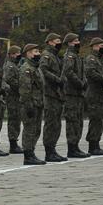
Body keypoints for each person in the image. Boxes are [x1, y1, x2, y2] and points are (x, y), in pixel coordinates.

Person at [40, 33, 67, 162]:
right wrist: (57, 80)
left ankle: (53, 149)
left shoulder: (55, 56)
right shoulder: (46, 55)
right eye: (57, 40)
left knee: (56, 123)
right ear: (50, 42)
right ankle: (49, 151)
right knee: (51, 123)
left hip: (57, 94)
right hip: (50, 93)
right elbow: (44, 71)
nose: (59, 42)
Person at [61, 33, 89, 158]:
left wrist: (84, 83)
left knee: (78, 121)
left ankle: (76, 146)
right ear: (69, 43)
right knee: (72, 121)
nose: (78, 42)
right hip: (71, 93)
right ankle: (71, 148)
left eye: (78, 40)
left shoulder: (77, 56)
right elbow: (68, 72)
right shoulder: (70, 56)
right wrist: (80, 83)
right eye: (75, 41)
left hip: (78, 94)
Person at [18, 44, 46, 166]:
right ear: (28, 53)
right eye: (35, 51)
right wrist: (28, 105)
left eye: (38, 51)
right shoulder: (27, 69)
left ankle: (31, 152)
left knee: (36, 130)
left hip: (38, 103)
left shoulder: (36, 68)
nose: (38, 53)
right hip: (30, 104)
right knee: (29, 130)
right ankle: (28, 155)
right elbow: (25, 89)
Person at [85, 38, 103, 156]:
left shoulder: (100, 59)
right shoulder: (91, 59)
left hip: (101, 94)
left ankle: (96, 144)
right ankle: (93, 146)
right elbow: (90, 73)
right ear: (94, 46)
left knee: (100, 120)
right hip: (94, 93)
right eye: (101, 45)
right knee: (95, 120)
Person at [2, 45, 23, 154]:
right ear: (10, 55)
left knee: (17, 120)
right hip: (12, 96)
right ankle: (13, 144)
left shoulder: (16, 65)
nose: (18, 55)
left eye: (18, 53)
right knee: (13, 120)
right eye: (15, 54)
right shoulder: (10, 66)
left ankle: (15, 142)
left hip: (17, 96)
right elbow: (10, 80)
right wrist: (21, 86)